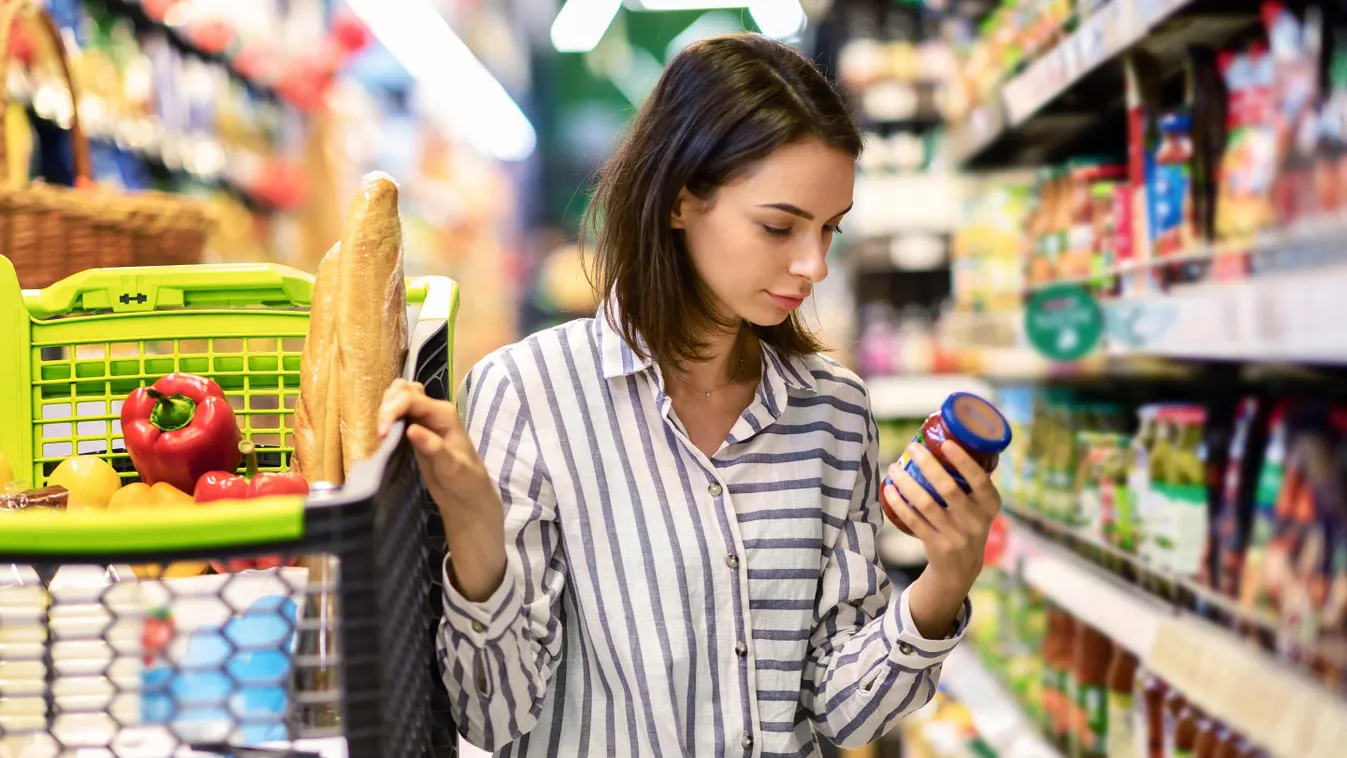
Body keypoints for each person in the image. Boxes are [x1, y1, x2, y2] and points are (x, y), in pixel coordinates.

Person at [376, 33, 1001, 757]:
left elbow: (842, 714)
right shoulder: (528, 393)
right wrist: (477, 539)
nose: (813, 264)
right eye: (778, 225)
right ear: (679, 201)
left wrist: (945, 579)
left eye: (830, 228)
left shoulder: (833, 412)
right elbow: (492, 718)